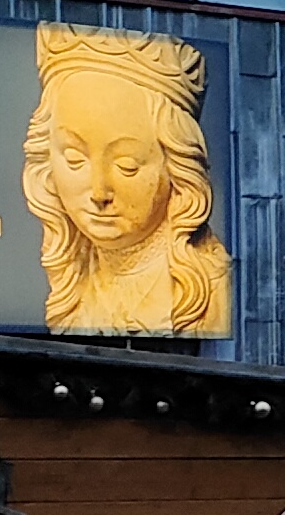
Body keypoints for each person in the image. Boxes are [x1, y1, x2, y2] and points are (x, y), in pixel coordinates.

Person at [22, 24, 233, 337]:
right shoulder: (72, 278)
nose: (99, 192)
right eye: (75, 160)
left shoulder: (215, 294)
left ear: (177, 166)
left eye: (127, 165)